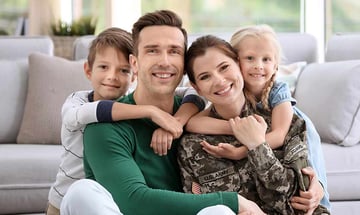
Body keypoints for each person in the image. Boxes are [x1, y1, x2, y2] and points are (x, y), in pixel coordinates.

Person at [60, 10, 265, 215]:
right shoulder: (104, 128)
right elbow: (133, 201)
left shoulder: (198, 116)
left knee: (219, 212)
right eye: (152, 51)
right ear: (135, 63)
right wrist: (234, 201)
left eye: (174, 51)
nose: (165, 61)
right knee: (81, 192)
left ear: (184, 66)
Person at [46, 27, 207, 215]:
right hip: (66, 198)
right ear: (88, 71)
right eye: (103, 67)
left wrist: (176, 122)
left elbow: (195, 92)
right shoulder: (77, 104)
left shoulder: (128, 101)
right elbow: (99, 110)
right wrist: (151, 111)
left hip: (108, 195)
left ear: (134, 72)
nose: (112, 76)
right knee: (82, 193)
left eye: (123, 70)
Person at [184, 25, 331, 212]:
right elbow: (198, 205)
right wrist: (239, 128)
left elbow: (296, 194)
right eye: (205, 77)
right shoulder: (192, 142)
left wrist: (255, 145)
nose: (219, 80)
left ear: (237, 64)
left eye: (224, 67)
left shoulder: (285, 114)